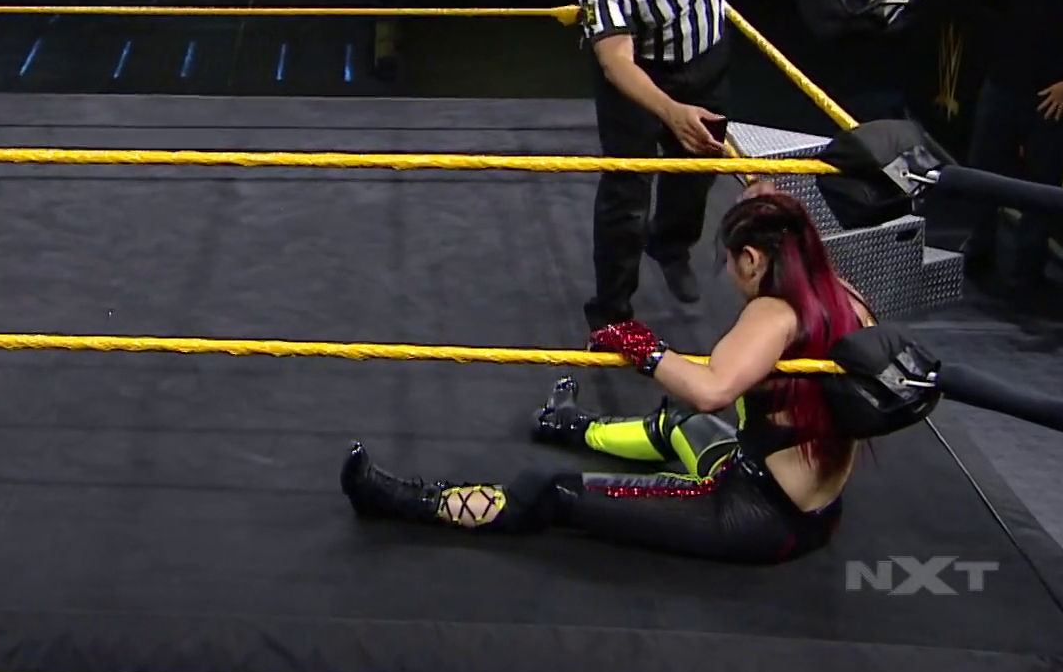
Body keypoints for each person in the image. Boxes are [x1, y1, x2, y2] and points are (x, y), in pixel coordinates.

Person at [340, 189, 873, 564]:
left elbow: (712, 389)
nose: (731, 277)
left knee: (553, 492)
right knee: (678, 420)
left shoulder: (774, 314)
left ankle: (410, 502)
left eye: (732, 263)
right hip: (810, 506)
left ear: (753, 259)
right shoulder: (845, 299)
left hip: (752, 513)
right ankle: (567, 424)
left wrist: (638, 343)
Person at [576, 0, 809, 333]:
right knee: (625, 192)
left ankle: (670, 244)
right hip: (638, 77)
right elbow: (616, 62)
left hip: (705, 60)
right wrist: (670, 111)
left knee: (699, 167)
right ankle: (611, 315)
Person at [962, 0, 1063, 293]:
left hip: (1053, 93)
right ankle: (978, 250)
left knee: (1040, 184)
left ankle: (1027, 271)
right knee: (982, 170)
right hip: (1004, 78)